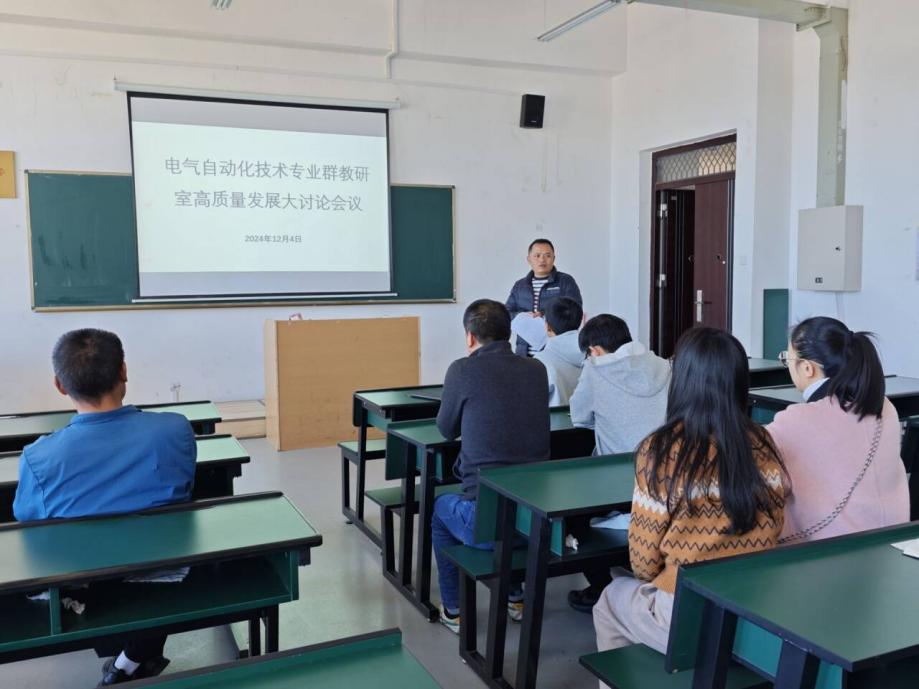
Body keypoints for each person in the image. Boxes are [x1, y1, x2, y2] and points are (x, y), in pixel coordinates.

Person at [13, 329, 196, 686]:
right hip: (163, 576)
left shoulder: (39, 457)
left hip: (87, 583)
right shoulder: (175, 430)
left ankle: (130, 660)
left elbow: (27, 522)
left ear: (60, 385)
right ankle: (132, 660)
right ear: (124, 370)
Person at [592, 327, 787, 662]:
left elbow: (643, 562)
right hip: (755, 611)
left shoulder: (662, 450)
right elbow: (776, 525)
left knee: (610, 600)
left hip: (688, 614)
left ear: (682, 380)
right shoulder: (763, 442)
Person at [431, 299, 550, 633]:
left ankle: (454, 609)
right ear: (509, 333)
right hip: (535, 521)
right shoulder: (536, 369)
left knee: (440, 510)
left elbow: (446, 429)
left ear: (470, 336)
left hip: (484, 525)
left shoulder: (462, 370)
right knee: (509, 498)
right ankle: (514, 596)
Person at [767, 317, 908, 542]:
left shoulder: (796, 420)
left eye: (787, 359)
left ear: (807, 368)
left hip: (824, 548)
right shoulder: (884, 406)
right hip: (894, 535)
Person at [567, 315, 672, 613]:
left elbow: (579, 416)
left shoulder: (595, 369)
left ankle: (600, 588)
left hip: (616, 482)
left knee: (572, 511)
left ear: (595, 350)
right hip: (664, 480)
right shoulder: (663, 365)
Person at [506, 238, 582, 356]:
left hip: (556, 352)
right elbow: (506, 313)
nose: (542, 260)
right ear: (529, 259)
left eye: (547, 255)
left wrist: (544, 314)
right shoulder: (520, 286)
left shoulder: (565, 281)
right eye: (537, 256)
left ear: (554, 258)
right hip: (524, 354)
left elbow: (575, 312)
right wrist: (523, 316)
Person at [533, 297, 585, 406]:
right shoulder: (594, 354)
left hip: (554, 417)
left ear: (548, 327)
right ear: (580, 322)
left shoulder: (539, 362)